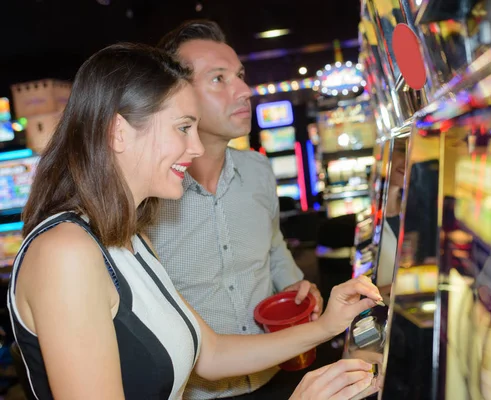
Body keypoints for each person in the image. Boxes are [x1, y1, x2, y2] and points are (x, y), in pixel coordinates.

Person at [7, 42, 384, 400]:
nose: (197, 147)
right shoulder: (66, 253)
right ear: (118, 131)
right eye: (183, 127)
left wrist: (327, 326)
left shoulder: (130, 239)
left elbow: (212, 354)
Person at [147, 20, 323, 399]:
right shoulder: (145, 198)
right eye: (219, 79)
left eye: (240, 76)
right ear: (174, 94)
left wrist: (293, 286)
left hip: (278, 375)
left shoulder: (258, 171)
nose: (244, 90)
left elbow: (274, 246)